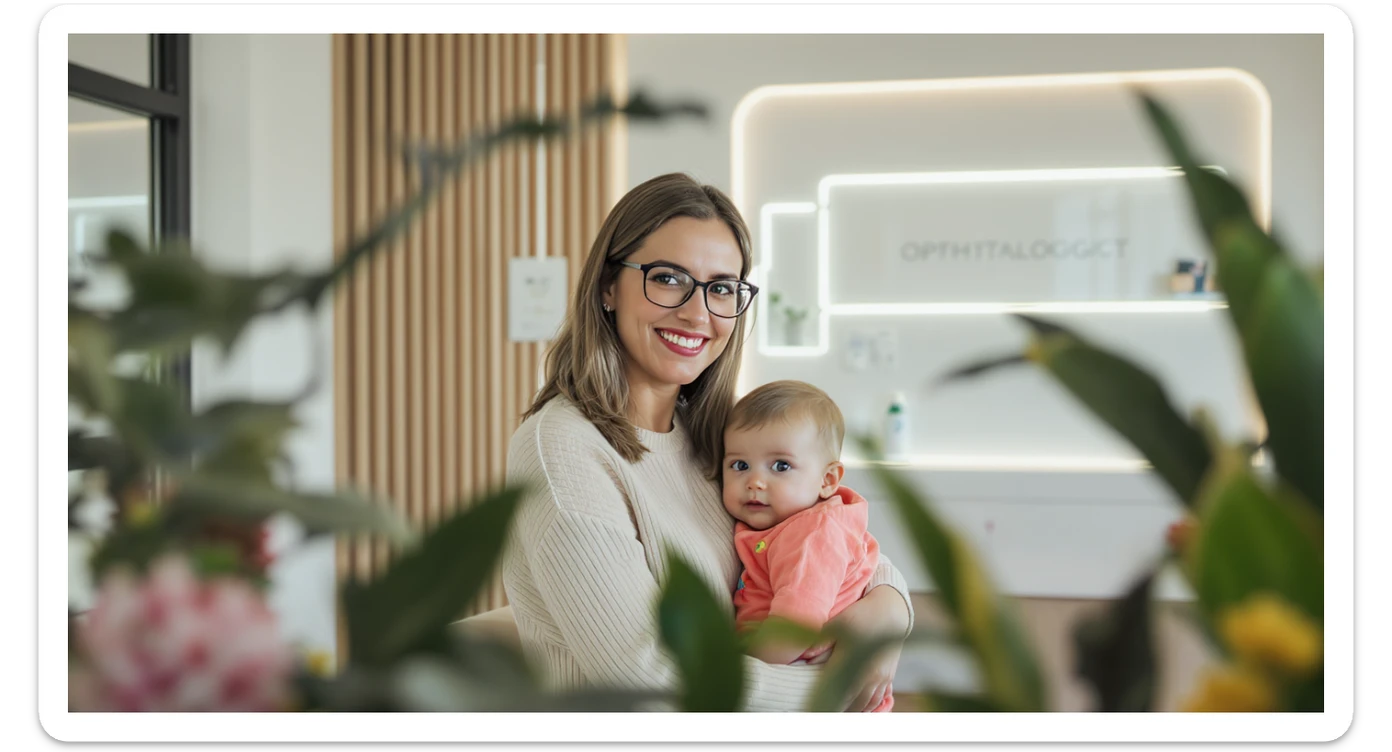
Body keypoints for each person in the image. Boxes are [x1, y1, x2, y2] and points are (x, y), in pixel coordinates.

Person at [499, 172, 913, 712]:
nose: (698, 313)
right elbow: (646, 671)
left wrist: (887, 610)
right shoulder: (563, 453)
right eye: (668, 278)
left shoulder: (719, 439)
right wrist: (837, 692)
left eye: (721, 288)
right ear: (607, 286)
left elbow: (832, 535)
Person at [722, 380, 893, 712]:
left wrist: (738, 673)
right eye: (740, 465)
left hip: (808, 682)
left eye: (781, 466)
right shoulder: (786, 522)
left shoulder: (812, 535)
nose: (755, 481)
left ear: (828, 480)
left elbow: (795, 628)